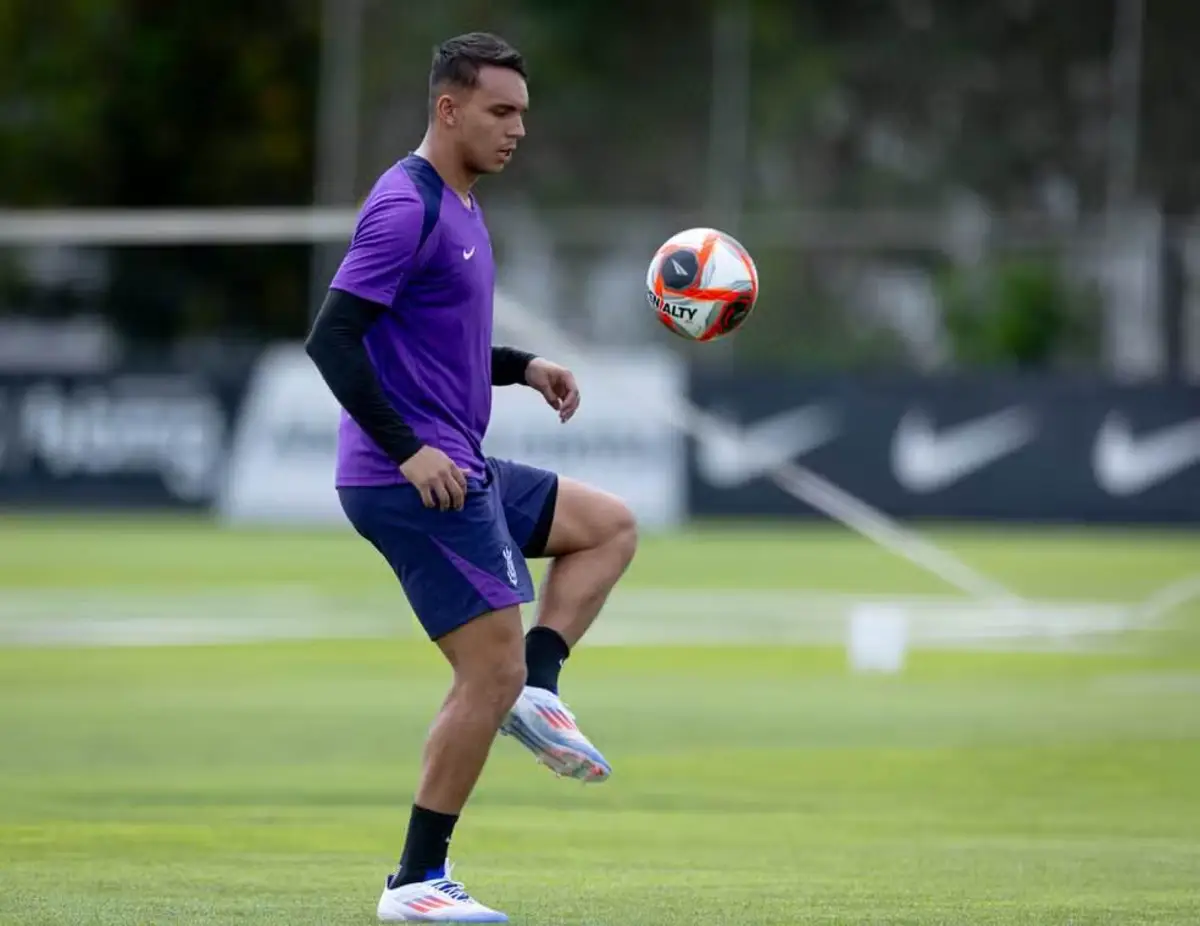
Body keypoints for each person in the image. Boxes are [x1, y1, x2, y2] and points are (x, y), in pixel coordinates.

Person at [304, 31, 638, 924]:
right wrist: (409, 448)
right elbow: (332, 338)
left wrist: (523, 366)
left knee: (608, 527)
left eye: (522, 113)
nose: (517, 130)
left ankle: (542, 684)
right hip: (411, 477)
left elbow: (432, 342)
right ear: (447, 109)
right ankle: (416, 884)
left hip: (462, 462)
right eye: (500, 111)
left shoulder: (463, 204)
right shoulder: (404, 204)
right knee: (479, 679)